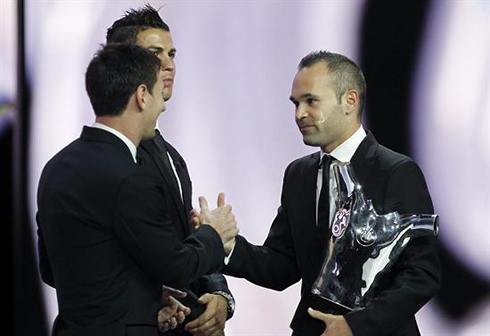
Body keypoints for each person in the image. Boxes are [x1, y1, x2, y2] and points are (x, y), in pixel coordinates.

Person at [220, 51, 441, 336]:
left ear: (350, 100)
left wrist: (354, 326)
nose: (299, 113)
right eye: (296, 103)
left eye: (311, 101)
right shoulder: (298, 174)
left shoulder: (397, 172)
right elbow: (282, 265)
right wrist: (228, 247)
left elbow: (422, 275)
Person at [36, 43, 238, 336]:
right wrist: (215, 233)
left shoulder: (55, 167)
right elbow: (178, 266)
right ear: (142, 95)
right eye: (158, 94)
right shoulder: (131, 176)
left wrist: (143, 303)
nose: (163, 104)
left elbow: (52, 270)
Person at [105, 5, 235, 336]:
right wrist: (215, 237)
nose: (169, 64)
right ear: (124, 64)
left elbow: (183, 242)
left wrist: (219, 295)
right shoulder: (115, 161)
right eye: (155, 53)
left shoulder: (171, 157)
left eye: (172, 53)